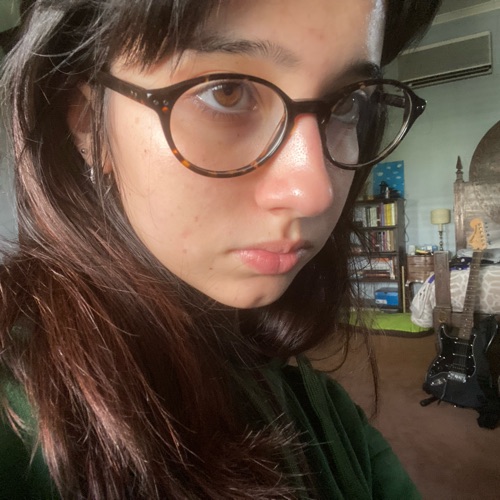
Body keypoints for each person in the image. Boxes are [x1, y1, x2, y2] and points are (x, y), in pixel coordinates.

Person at [0, 0, 441, 498]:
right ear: (87, 120)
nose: (314, 191)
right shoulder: (17, 431)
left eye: (346, 103)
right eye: (227, 92)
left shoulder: (324, 415)